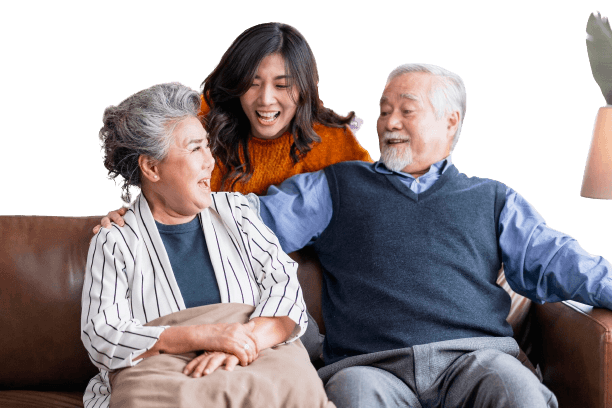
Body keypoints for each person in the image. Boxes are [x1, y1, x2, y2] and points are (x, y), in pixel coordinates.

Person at [98, 12, 612, 408]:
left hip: (476, 357)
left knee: (519, 392)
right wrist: (141, 208)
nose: (388, 121)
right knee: (352, 396)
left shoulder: (493, 198)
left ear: (452, 123)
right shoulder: (338, 183)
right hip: (370, 365)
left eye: (406, 110)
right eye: (384, 108)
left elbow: (563, 262)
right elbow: (239, 219)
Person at [81, 82, 330, 408]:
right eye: (194, 148)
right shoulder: (115, 239)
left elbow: (285, 291)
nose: (210, 162)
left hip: (255, 360)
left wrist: (240, 342)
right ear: (152, 168)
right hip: (166, 378)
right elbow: (102, 335)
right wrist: (203, 336)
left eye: (207, 147)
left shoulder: (238, 212)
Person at [199, 22, 372, 195]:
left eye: (282, 85)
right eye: (252, 83)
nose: (266, 100)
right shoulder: (201, 119)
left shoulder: (332, 142)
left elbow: (378, 202)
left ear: (304, 89)